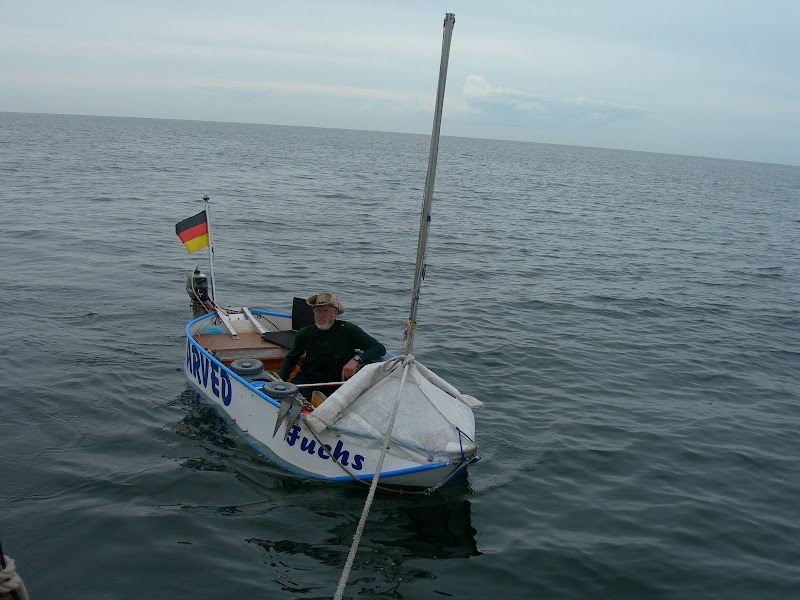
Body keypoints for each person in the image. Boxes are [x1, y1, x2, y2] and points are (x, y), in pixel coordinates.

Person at [277, 292, 386, 398]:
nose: (321, 315)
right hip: (308, 383)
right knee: (292, 397)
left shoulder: (348, 330)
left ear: (335, 313)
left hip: (338, 384)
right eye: (317, 311)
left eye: (326, 311)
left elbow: (379, 348)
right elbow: (291, 359)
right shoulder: (305, 333)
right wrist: (278, 382)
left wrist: (356, 359)